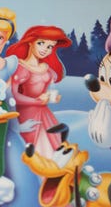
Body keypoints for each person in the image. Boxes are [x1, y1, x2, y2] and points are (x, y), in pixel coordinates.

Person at [6, 25, 71, 156]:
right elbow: (13, 95)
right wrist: (36, 101)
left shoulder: (46, 68)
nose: (45, 49)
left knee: (54, 146)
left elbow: (44, 91)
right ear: (30, 42)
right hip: (26, 114)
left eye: (50, 46)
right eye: (41, 43)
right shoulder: (21, 67)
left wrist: (51, 97)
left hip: (44, 114)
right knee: (33, 148)